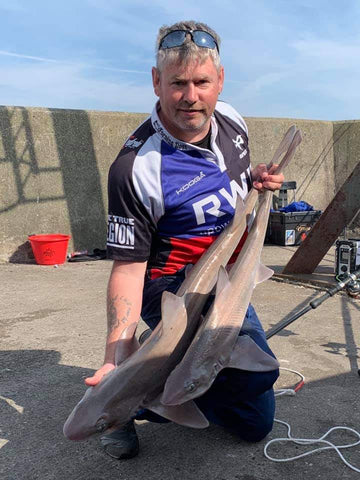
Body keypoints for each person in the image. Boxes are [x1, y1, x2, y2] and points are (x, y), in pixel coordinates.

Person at [85, 20, 284, 460]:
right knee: (234, 377)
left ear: (220, 81)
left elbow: (231, 180)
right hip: (172, 284)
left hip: (228, 277)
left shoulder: (232, 120)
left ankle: (148, 396)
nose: (190, 96)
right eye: (177, 83)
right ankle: (119, 401)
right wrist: (118, 355)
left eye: (201, 82)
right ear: (156, 81)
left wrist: (256, 179)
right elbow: (128, 265)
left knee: (255, 421)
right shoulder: (136, 167)